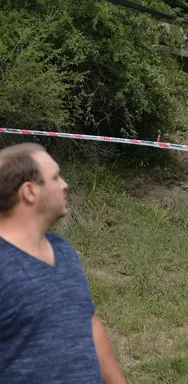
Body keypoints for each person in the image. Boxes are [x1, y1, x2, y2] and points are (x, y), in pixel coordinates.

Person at [0, 143, 127, 384]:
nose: (64, 184)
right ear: (30, 191)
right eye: (55, 177)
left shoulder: (63, 250)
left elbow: (88, 325)